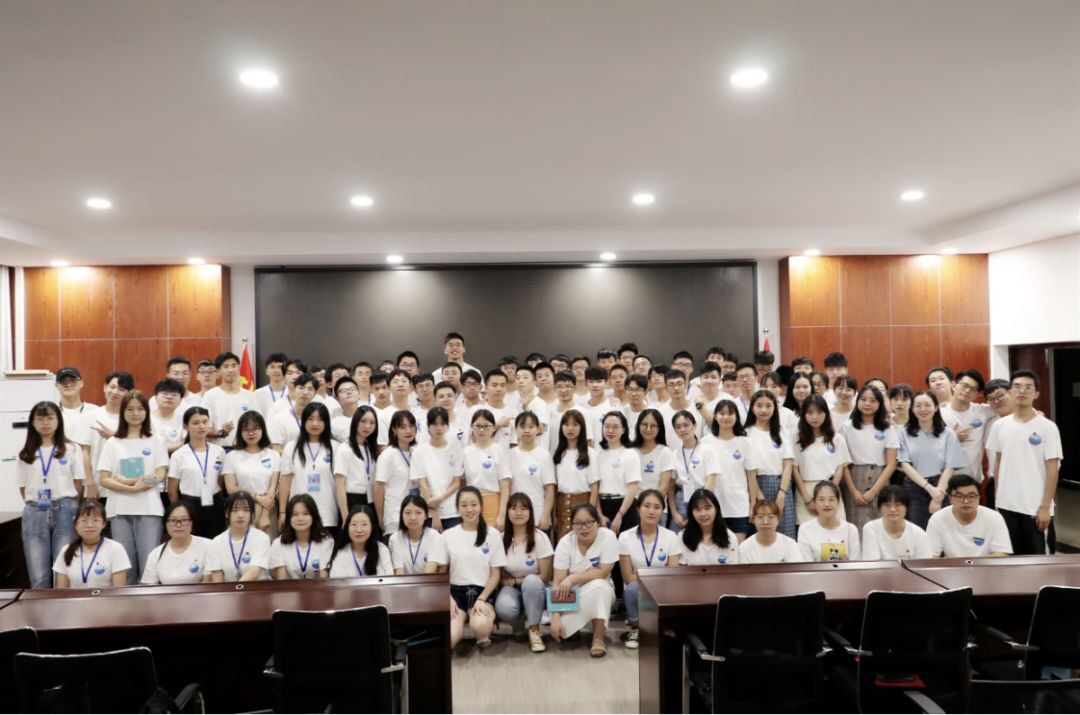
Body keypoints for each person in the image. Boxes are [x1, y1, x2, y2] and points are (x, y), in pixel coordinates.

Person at [985, 369, 1063, 555]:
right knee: (1010, 558)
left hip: (1034, 507)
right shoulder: (999, 426)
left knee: (1039, 560)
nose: (1022, 391)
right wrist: (998, 500)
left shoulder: (1047, 427)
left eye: (1028, 387)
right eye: (1017, 386)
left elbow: (1053, 469)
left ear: (1036, 394)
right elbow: (998, 463)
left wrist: (1045, 507)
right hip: (1006, 505)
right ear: (1010, 391)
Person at [97, 391, 168, 584]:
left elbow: (160, 474)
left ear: (146, 412)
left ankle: (149, 602)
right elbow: (104, 479)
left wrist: (135, 482)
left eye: (140, 409)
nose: (135, 413)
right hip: (119, 510)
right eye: (130, 409)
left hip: (149, 508)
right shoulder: (113, 443)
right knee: (124, 566)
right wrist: (131, 489)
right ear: (122, 412)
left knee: (148, 566)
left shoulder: (156, 440)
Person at [17, 401, 84, 588]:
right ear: (33, 423)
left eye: (50, 418)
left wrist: (70, 505)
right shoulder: (26, 453)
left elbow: (78, 482)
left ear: (58, 421)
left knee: (64, 571)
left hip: (65, 510)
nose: (45, 423)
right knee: (38, 575)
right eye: (40, 419)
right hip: (35, 512)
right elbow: (23, 487)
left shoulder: (72, 449)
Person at [550, 503, 619, 658]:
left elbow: (603, 572)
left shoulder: (608, 537)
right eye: (578, 523)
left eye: (589, 522)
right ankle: (574, 627)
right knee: (563, 632)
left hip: (603, 593)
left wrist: (572, 578)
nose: (584, 527)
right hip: (571, 597)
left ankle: (598, 639)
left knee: (600, 587)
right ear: (572, 526)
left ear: (598, 522)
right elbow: (557, 583)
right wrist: (555, 617)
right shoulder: (565, 543)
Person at [618, 490, 682, 649]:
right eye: (646, 506)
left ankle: (660, 627)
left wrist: (640, 573)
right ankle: (636, 628)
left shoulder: (671, 536)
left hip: (663, 586)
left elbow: (672, 574)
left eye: (657, 507)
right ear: (638, 509)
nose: (651, 511)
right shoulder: (625, 537)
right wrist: (658, 572)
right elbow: (627, 578)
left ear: (662, 511)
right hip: (638, 586)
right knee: (631, 589)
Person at [446, 487, 506, 649]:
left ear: (481, 506)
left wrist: (481, 599)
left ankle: (485, 628)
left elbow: (495, 574)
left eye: (474, 504)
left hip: (483, 593)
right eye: (464, 505)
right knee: (450, 638)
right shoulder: (448, 535)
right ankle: (462, 622)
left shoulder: (493, 534)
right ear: (457, 508)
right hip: (456, 594)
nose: (469, 509)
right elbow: (442, 573)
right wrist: (449, 599)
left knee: (480, 627)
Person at [897, 390, 966, 529]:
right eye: (918, 405)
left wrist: (937, 495)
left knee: (943, 530)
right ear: (912, 409)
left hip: (942, 487)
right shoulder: (903, 433)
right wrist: (929, 488)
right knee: (917, 530)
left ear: (935, 407)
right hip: (914, 487)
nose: (923, 409)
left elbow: (950, 466)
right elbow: (905, 464)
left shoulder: (948, 433)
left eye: (927, 405)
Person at [496, 493, 554, 653]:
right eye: (513, 508)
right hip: (512, 590)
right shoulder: (500, 539)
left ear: (531, 512)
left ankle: (534, 629)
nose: (518, 512)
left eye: (523, 508)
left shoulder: (540, 538)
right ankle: (518, 622)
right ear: (507, 512)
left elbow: (545, 577)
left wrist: (515, 580)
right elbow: (498, 576)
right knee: (504, 608)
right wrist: (508, 582)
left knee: (532, 581)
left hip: (537, 589)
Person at [840, 386, 899, 530]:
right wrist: (854, 492)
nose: (867, 404)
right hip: (853, 480)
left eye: (873, 400)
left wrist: (873, 491)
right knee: (855, 527)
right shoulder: (847, 427)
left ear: (879, 404)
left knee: (881, 527)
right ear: (857, 401)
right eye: (863, 399)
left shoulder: (888, 428)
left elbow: (891, 464)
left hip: (880, 479)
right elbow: (843, 463)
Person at [278, 402, 341, 534]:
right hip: (298, 514)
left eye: (320, 419)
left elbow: (341, 483)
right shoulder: (292, 447)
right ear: (303, 421)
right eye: (310, 419)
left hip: (327, 513)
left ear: (326, 422)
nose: (315, 424)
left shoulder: (336, 447)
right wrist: (282, 512)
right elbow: (285, 481)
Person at [167, 406, 227, 538]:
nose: (201, 426)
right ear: (186, 426)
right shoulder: (178, 455)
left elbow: (222, 481)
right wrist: (179, 511)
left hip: (215, 503)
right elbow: (172, 490)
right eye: (195, 423)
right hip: (190, 505)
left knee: (216, 541)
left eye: (205, 422)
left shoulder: (219, 451)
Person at [743, 391, 795, 538]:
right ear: (752, 408)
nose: (764, 410)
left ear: (775, 407)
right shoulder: (746, 433)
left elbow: (788, 464)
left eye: (768, 406)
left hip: (782, 485)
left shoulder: (782, 431)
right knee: (761, 532)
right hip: (756, 485)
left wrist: (782, 494)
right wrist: (759, 496)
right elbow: (748, 470)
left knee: (785, 532)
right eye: (759, 405)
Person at [705, 400, 759, 539]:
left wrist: (753, 504)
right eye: (722, 413)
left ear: (736, 417)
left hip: (738, 505)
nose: (726, 417)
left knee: (738, 547)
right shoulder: (705, 442)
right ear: (715, 416)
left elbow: (751, 476)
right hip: (713, 505)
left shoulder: (745, 442)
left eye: (730, 414)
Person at [793, 395, 851, 525]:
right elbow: (794, 469)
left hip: (831, 489)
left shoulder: (837, 438)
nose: (815, 417)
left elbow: (840, 467)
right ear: (803, 415)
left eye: (819, 412)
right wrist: (807, 499)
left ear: (826, 414)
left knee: (835, 531)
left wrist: (830, 492)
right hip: (805, 491)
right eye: (810, 412)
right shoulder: (796, 439)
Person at [925, 475, 1012, 557]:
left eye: (971, 496)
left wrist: (975, 564)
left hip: (985, 567)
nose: (966, 501)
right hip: (952, 567)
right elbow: (931, 556)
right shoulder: (938, 519)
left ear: (979, 498)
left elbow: (1002, 554)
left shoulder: (994, 518)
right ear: (950, 498)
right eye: (959, 496)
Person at [223, 411, 280, 532]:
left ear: (263, 430)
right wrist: (257, 497)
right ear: (240, 432)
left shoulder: (273, 455)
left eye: (255, 428)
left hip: (267, 509)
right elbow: (231, 488)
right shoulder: (231, 456)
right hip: (240, 508)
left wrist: (264, 515)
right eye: (246, 429)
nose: (251, 433)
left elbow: (273, 487)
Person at [53, 500, 130, 588]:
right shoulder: (66, 550)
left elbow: (118, 591)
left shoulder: (116, 549)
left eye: (95, 520)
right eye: (84, 520)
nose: (89, 525)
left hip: (105, 597)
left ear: (104, 524)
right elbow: (62, 592)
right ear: (76, 525)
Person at [411, 407, 465, 531]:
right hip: (429, 512)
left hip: (453, 511)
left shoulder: (456, 449)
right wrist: (434, 513)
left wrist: (440, 499)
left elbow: (456, 483)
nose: (439, 428)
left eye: (443, 424)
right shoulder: (419, 452)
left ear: (448, 426)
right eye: (435, 424)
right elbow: (423, 484)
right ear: (428, 426)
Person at [86, 370, 135, 503]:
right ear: (104, 387)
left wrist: (114, 435)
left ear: (129, 393)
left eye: (121, 389)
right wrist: (90, 483)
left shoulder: (133, 417)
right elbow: (85, 453)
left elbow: (139, 447)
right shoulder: (91, 416)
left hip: (127, 485)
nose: (115, 392)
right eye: (112, 387)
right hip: (98, 486)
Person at [553, 410, 600, 541]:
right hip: (562, 505)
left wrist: (590, 512)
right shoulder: (558, 454)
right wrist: (554, 514)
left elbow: (594, 486)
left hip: (583, 501)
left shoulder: (590, 453)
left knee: (583, 541)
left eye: (575, 424)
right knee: (563, 543)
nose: (570, 428)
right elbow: (554, 487)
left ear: (582, 427)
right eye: (566, 424)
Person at [462, 409, 513, 530]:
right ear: (472, 428)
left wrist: (502, 515)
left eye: (486, 426)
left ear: (493, 428)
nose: (481, 430)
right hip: (471, 505)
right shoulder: (465, 452)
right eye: (478, 426)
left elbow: (505, 487)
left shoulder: (499, 451)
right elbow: (461, 483)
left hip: (493, 504)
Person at [140, 501, 214, 585]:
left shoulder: (208, 546)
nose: (178, 525)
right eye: (173, 520)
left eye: (184, 520)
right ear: (165, 524)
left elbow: (209, 584)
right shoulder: (155, 554)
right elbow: (150, 588)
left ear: (192, 522)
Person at [509, 412, 556, 533]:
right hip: (515, 516)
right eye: (522, 426)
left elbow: (549, 488)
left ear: (537, 429)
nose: (527, 430)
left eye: (531, 427)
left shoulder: (544, 455)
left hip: (538, 516)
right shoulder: (509, 455)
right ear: (516, 429)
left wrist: (546, 515)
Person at [268, 494, 335, 579]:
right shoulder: (278, 543)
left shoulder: (326, 541)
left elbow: (324, 579)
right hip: (289, 587)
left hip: (318, 587)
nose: (300, 518)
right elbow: (282, 581)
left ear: (314, 516)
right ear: (288, 518)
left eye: (305, 514)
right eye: (295, 514)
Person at [209, 491, 271, 581]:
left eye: (246, 510)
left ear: (252, 514)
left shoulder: (261, 538)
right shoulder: (216, 542)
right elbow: (217, 579)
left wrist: (236, 587)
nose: (240, 515)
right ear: (227, 513)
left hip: (257, 588)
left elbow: (254, 572)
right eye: (235, 510)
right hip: (228, 589)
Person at [596, 411, 641, 536]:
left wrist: (620, 515)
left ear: (623, 430)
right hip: (603, 506)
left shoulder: (630, 454)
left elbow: (633, 487)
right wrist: (599, 515)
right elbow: (595, 487)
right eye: (607, 426)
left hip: (624, 506)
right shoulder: (598, 455)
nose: (610, 430)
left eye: (615, 427)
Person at [374, 410, 419, 533]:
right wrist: (380, 517)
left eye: (411, 426)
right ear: (394, 429)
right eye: (403, 427)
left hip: (416, 516)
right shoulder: (388, 455)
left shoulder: (417, 452)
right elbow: (379, 488)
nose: (408, 431)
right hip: (395, 516)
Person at [332, 405, 380, 517]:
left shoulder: (371, 448)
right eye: (363, 421)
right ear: (355, 422)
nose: (367, 426)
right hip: (352, 500)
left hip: (370, 499)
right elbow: (340, 486)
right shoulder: (345, 449)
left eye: (372, 423)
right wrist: (345, 517)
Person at [861, 486, 933, 560]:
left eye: (897, 505)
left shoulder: (919, 534)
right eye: (887, 505)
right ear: (880, 508)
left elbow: (923, 565)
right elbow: (872, 564)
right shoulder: (871, 529)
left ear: (907, 507)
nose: (892, 509)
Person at [632, 409, 677, 526]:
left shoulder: (665, 452)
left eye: (653, 426)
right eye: (644, 424)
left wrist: (647, 507)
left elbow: (664, 487)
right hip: (631, 508)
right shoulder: (630, 451)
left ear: (659, 428)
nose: (648, 429)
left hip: (655, 510)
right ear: (638, 426)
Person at [798, 482, 861, 562]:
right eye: (821, 499)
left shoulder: (851, 529)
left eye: (831, 499)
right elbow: (805, 565)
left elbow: (855, 563)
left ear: (838, 502)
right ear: (814, 502)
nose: (827, 504)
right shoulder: (805, 529)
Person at [202, 352, 253, 447]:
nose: (231, 370)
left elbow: (258, 423)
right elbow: (203, 427)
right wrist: (222, 432)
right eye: (226, 366)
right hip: (219, 449)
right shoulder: (210, 396)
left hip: (245, 448)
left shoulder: (249, 395)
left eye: (234, 366)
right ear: (218, 372)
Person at [389, 495, 449, 574]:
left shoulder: (435, 537)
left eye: (418, 513)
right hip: (404, 582)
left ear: (426, 516)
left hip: (428, 581)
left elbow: (429, 573)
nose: (413, 517)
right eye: (408, 513)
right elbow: (399, 573)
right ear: (401, 516)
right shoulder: (395, 538)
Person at [329, 504, 393, 577]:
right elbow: (337, 582)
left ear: (372, 527)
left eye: (364, 524)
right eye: (354, 524)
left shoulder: (382, 550)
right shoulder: (341, 553)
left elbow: (390, 579)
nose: (359, 529)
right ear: (347, 527)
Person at [680, 488, 739, 565]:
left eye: (707, 508)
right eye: (697, 509)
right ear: (691, 512)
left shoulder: (730, 537)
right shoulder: (683, 536)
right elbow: (680, 568)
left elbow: (733, 569)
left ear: (716, 509)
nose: (703, 514)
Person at [737, 500, 807, 564]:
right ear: (753, 520)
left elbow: (796, 571)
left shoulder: (790, 544)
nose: (765, 522)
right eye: (760, 517)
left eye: (770, 517)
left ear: (778, 520)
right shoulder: (745, 547)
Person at [269, 373, 319, 451]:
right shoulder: (280, 419)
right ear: (294, 389)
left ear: (315, 393)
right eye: (301, 388)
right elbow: (276, 449)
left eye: (310, 389)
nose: (305, 392)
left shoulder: (318, 421)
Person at [149, 378, 186, 454]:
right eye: (165, 393)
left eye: (174, 394)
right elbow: (148, 446)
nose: (169, 397)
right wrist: (179, 445)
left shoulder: (184, 419)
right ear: (155, 398)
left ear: (180, 400)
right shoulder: (146, 418)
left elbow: (188, 443)